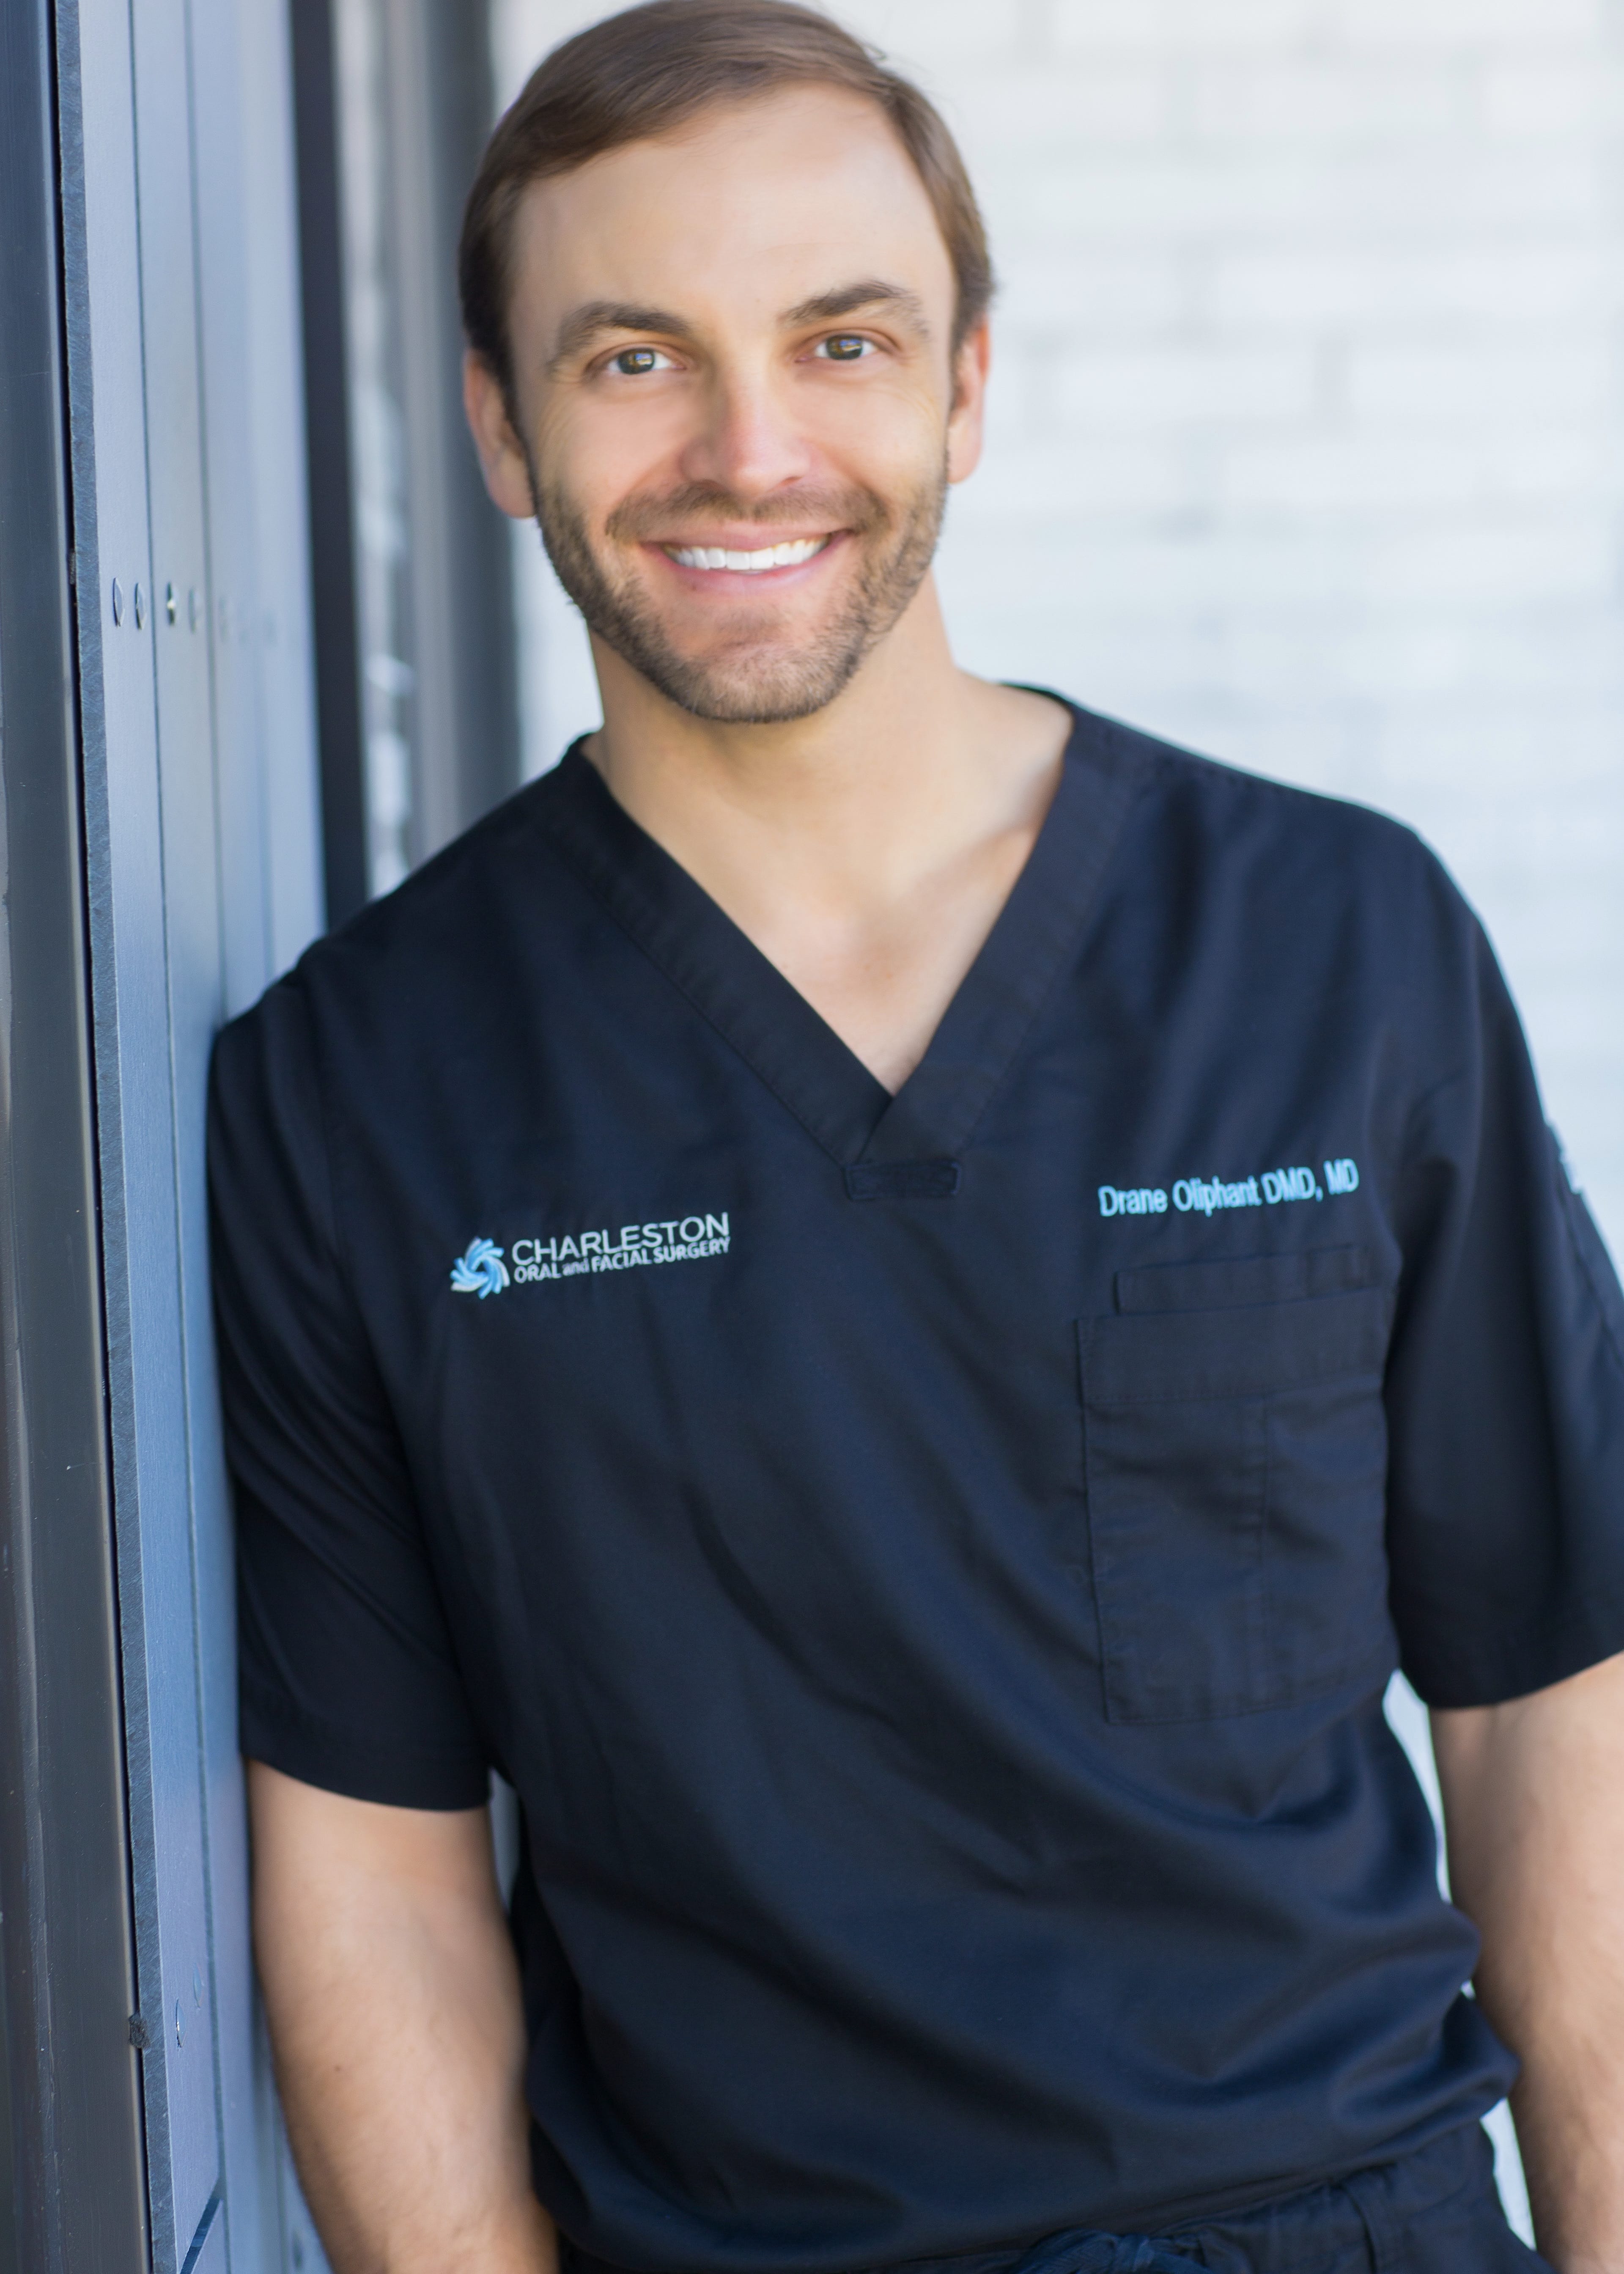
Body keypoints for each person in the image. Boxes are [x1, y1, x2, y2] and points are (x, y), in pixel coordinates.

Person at [208, 5, 1624, 2270]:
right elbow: (375, 1876)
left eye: (840, 341)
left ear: (966, 386)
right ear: (498, 424)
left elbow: (1551, 1701)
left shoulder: (1338, 946)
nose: (749, 449)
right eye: (635, 358)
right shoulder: (357, 1089)